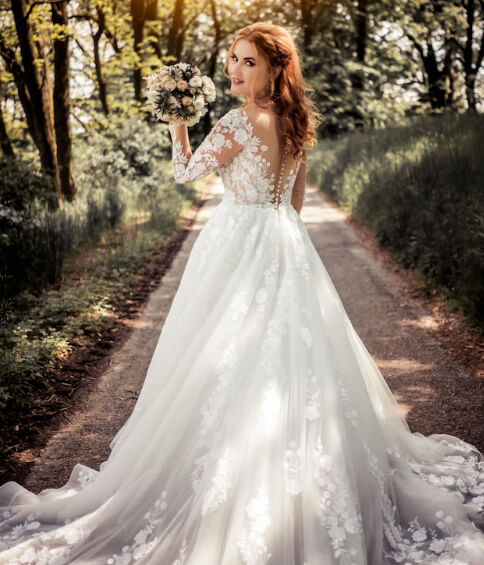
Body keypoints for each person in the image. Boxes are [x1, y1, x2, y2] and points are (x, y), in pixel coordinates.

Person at [1, 21, 483, 565]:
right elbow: (295, 202)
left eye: (248, 61)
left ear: (276, 68)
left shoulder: (238, 122)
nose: (234, 69)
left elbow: (185, 173)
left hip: (237, 242)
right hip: (284, 242)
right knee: (298, 355)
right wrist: (281, 244)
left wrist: (178, 123)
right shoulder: (295, 120)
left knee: (224, 355)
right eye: (232, 59)